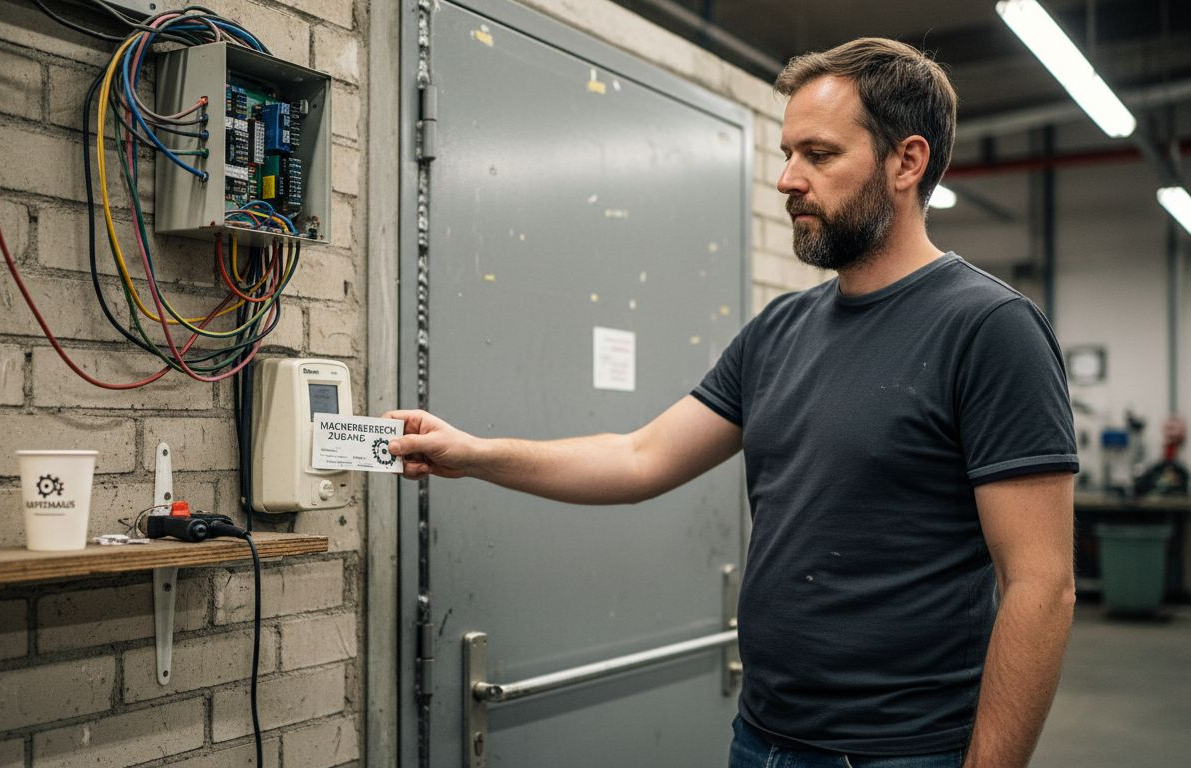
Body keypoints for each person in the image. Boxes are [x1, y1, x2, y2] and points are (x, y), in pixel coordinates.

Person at [386, 37, 1077, 768]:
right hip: (763, 739)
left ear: (907, 162)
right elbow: (638, 458)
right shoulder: (781, 329)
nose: (787, 179)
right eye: (786, 153)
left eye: (819, 154)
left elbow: (1041, 586)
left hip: (900, 751)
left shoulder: (989, 329)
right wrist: (474, 454)